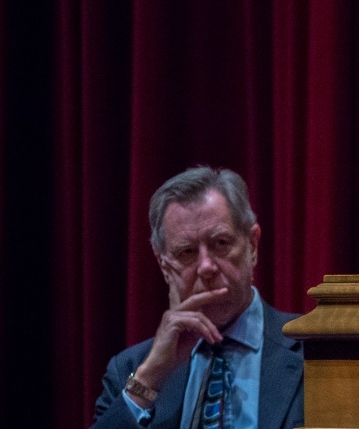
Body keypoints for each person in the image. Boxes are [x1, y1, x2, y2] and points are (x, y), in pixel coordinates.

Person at [91, 167, 303, 428]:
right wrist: (149, 379)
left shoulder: (314, 354)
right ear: (164, 265)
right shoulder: (130, 371)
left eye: (221, 243)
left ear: (252, 245)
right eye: (187, 252)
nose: (206, 266)